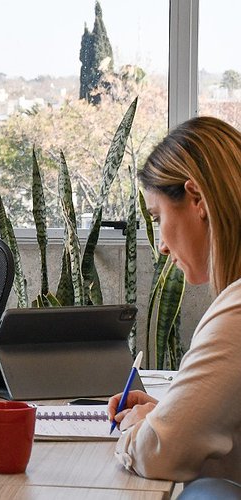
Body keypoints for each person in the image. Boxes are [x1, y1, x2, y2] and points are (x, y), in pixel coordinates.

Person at [108, 116, 241, 482]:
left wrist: (138, 430)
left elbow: (156, 456)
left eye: (158, 216)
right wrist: (168, 414)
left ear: (196, 198)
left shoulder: (237, 313)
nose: (162, 247)